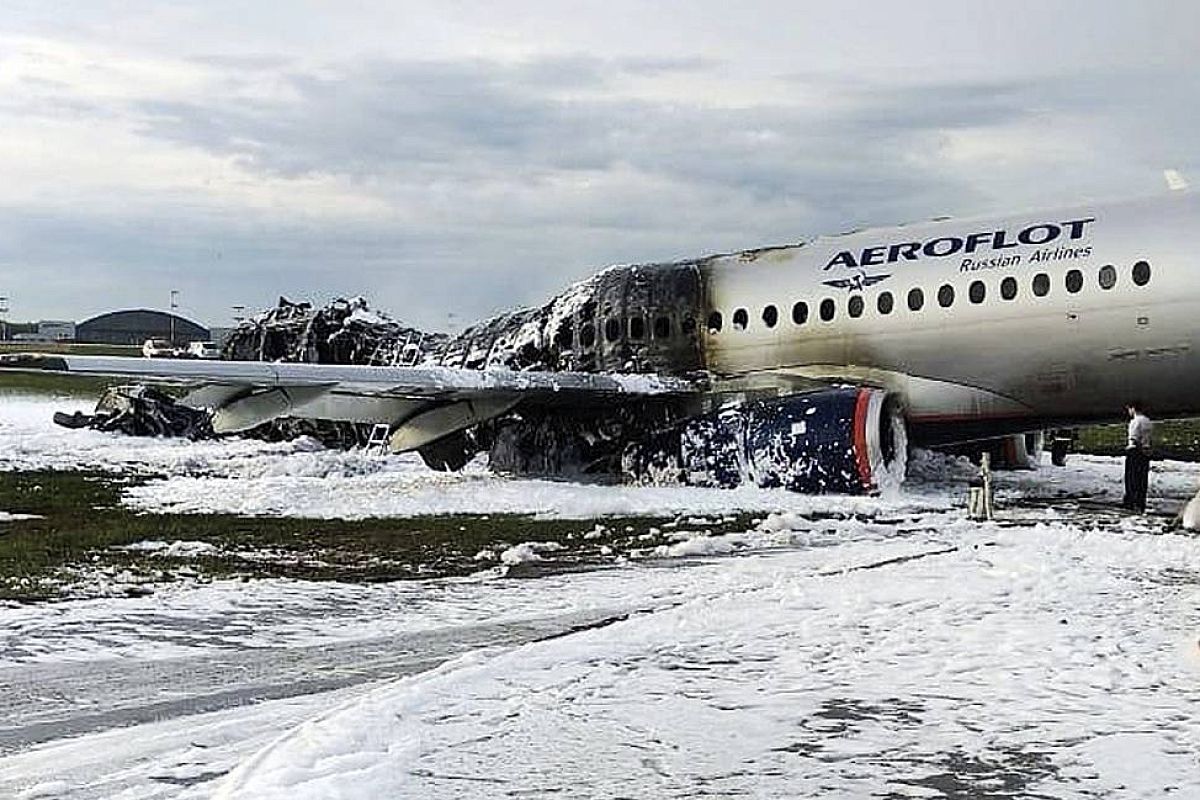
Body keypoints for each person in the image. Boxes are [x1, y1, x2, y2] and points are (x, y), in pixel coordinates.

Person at [1122, 400, 1152, 512]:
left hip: (1135, 451)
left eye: (1129, 409)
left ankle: (1130, 501)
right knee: (1142, 479)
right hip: (1146, 451)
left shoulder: (1135, 422)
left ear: (1133, 409)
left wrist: (1137, 447)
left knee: (1131, 478)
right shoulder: (1147, 421)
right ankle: (1141, 502)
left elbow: (1134, 438)